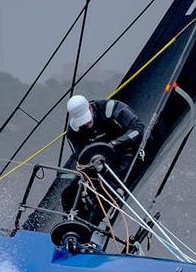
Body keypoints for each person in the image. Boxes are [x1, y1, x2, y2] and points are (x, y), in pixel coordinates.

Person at [59, 95, 145, 224]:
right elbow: (80, 154)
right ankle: (70, 225)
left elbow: (138, 128)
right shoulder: (73, 130)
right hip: (97, 163)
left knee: (107, 189)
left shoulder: (111, 109)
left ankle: (91, 227)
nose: (87, 126)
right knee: (68, 194)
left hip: (126, 153)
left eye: (88, 121)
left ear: (90, 107)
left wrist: (115, 144)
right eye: (82, 124)